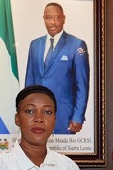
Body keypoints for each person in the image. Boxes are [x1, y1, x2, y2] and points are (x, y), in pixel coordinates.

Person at [25, 2, 90, 134]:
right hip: (37, 118)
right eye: (48, 18)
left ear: (63, 19)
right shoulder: (35, 45)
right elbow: (29, 82)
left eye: (56, 18)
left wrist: (78, 117)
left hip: (64, 118)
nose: (52, 22)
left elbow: (82, 86)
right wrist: (27, 112)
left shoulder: (76, 45)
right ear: (44, 19)